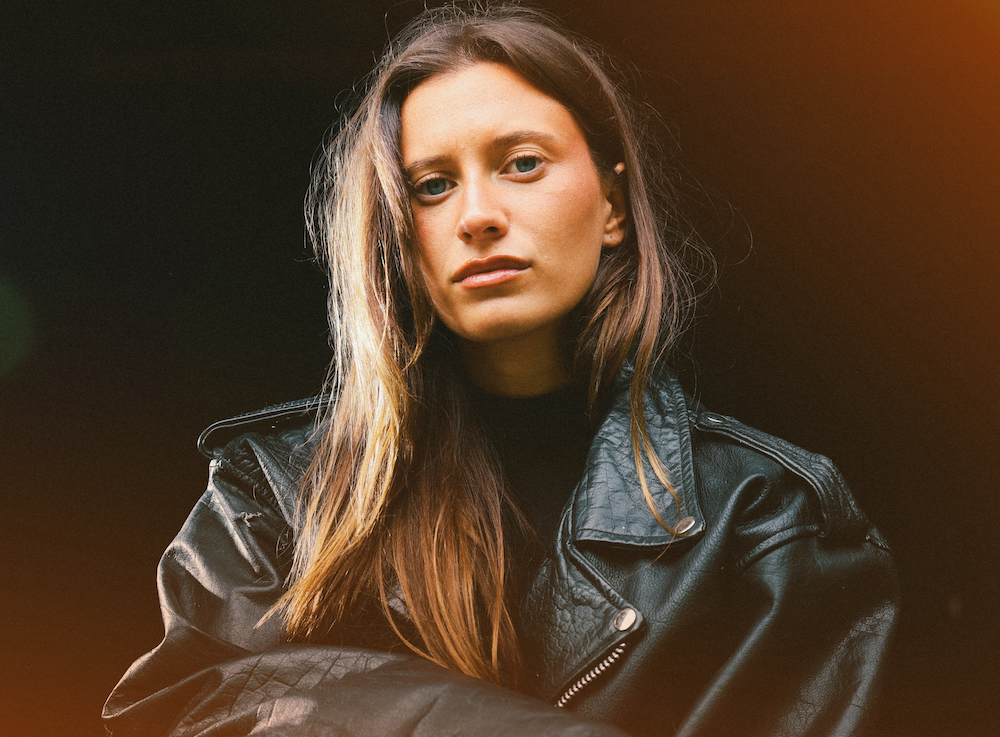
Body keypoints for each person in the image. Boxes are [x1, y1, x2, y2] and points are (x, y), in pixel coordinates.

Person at [103, 4, 899, 736]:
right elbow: (175, 706)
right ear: (397, 236)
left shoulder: (766, 521)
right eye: (432, 186)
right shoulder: (275, 496)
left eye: (521, 163)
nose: (477, 215)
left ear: (613, 206)